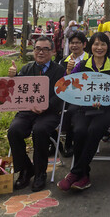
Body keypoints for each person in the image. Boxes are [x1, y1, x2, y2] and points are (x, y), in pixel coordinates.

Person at [57, 32, 110, 191]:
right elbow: (68, 87)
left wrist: (104, 98)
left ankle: (74, 173)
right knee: (79, 130)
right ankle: (84, 175)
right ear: (90, 46)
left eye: (103, 44)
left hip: (107, 109)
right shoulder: (82, 65)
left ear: (108, 46)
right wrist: (69, 73)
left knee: (94, 129)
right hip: (82, 107)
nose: (99, 47)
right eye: (96, 44)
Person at [7, 36, 65, 191]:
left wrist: (45, 106)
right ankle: (26, 169)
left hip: (49, 113)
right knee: (14, 131)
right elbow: (16, 91)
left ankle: (40, 173)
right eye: (37, 48)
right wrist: (12, 78)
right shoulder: (26, 69)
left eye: (45, 49)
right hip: (27, 111)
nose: (40, 52)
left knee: (40, 130)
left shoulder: (59, 71)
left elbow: (61, 95)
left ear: (53, 52)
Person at [59, 31, 89, 158]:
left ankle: (70, 143)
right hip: (67, 95)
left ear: (84, 44)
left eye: (78, 43)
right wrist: (68, 71)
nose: (74, 45)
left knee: (71, 110)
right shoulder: (63, 61)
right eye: (72, 43)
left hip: (85, 96)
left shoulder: (90, 60)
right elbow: (61, 83)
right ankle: (62, 141)